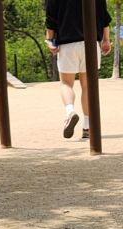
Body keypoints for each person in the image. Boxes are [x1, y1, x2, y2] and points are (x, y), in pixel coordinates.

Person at [45, 0, 112, 140]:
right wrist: (106, 39)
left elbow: (51, 17)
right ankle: (87, 126)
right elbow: (104, 15)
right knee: (87, 85)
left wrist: (50, 40)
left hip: (67, 43)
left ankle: (70, 112)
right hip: (91, 42)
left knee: (66, 84)